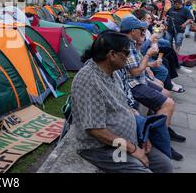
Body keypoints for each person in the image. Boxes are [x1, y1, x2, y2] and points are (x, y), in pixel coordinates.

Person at [72, 31, 173, 173]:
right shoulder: (88, 80)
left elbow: (125, 107)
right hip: (103, 147)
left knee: (164, 165)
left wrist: (141, 135)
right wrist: (133, 149)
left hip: (127, 140)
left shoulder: (113, 72)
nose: (129, 57)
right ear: (112, 55)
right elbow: (95, 130)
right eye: (126, 53)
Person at [118, 17, 186, 160]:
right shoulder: (126, 45)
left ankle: (164, 129)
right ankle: (162, 142)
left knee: (165, 90)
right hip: (134, 84)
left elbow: (137, 66)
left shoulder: (131, 43)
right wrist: (148, 54)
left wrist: (150, 63)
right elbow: (135, 72)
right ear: (133, 31)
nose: (144, 31)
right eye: (141, 30)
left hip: (139, 80)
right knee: (169, 103)